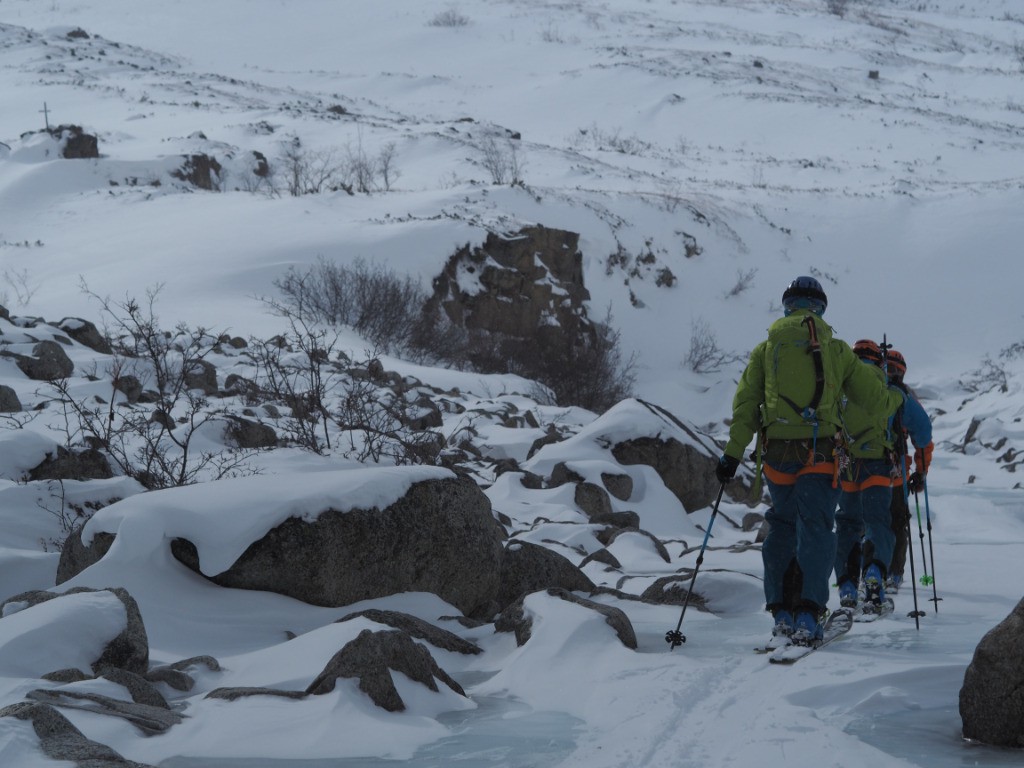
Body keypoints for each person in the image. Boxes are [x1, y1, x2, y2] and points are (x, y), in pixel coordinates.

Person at [715, 276, 905, 647]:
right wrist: (896, 396)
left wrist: (732, 455)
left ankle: (781, 613)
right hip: (820, 453)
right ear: (820, 308)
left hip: (777, 455)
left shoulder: (766, 349)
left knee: (782, 525)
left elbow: (744, 409)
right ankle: (809, 613)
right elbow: (877, 403)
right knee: (816, 528)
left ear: (788, 305)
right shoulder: (835, 350)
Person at [832, 340, 929, 614]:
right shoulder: (892, 389)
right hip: (880, 464)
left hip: (846, 464)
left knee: (848, 524)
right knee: (879, 523)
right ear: (880, 361)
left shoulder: (839, 384)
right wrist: (920, 466)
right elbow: (923, 431)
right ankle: (876, 575)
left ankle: (847, 585)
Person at [884, 349, 933, 592]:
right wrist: (921, 472)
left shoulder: (858, 389)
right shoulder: (904, 397)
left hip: (858, 469)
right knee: (897, 521)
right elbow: (923, 438)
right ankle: (894, 573)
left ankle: (861, 573)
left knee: (862, 522)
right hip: (896, 471)